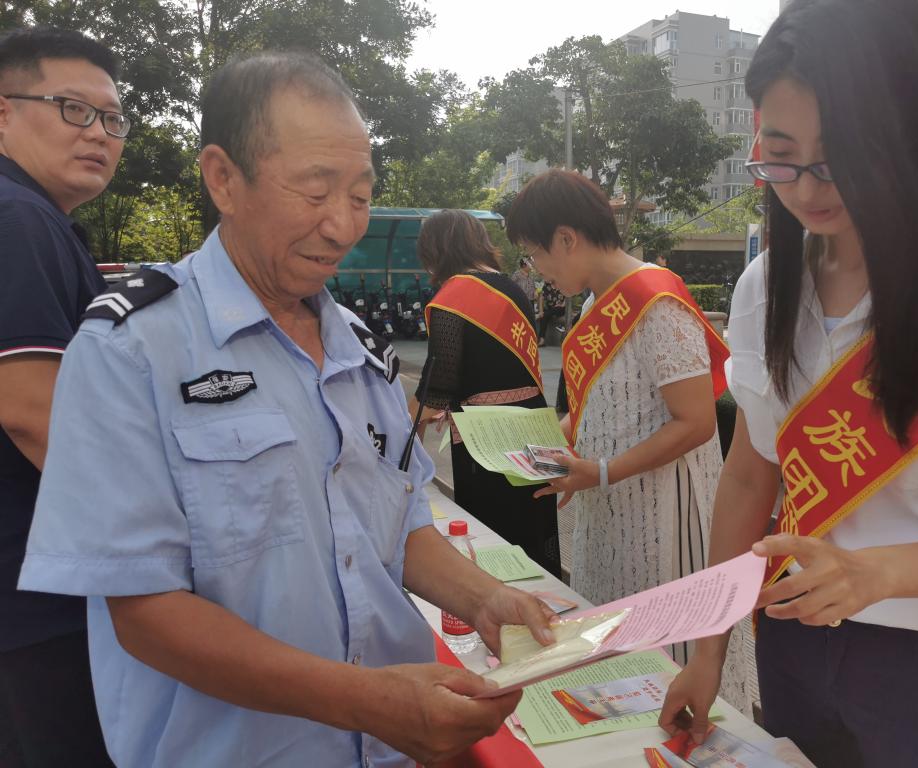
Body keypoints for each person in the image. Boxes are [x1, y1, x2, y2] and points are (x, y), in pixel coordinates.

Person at [18, 51, 555, 768]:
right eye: (315, 190)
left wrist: (485, 598)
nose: (343, 227)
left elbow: (400, 524)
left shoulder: (360, 350)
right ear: (223, 179)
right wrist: (366, 701)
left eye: (360, 195)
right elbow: (145, 614)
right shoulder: (131, 351)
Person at [658, 2, 918, 767]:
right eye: (781, 155)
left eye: (840, 156)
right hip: (796, 640)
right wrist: (709, 649)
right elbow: (750, 475)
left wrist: (877, 572)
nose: (805, 188)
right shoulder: (766, 286)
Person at [505, 169, 752, 714]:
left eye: (535, 254)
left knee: (669, 648)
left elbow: (696, 422)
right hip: (611, 510)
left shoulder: (656, 300)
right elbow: (597, 410)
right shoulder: (596, 304)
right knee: (617, 646)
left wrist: (601, 471)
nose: (538, 269)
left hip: (666, 515)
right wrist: (545, 448)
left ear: (566, 238)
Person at [0, 27, 128, 767]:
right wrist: (168, 533)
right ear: (4, 112)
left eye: (112, 119)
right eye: (72, 109)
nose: (98, 134)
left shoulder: (35, 217)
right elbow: (34, 414)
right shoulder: (20, 219)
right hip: (40, 595)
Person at [412, 210, 561, 576]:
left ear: (435, 249)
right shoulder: (512, 287)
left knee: (494, 538)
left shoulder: (453, 296)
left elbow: (437, 387)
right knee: (534, 528)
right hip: (534, 428)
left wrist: (401, 432)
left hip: (487, 440)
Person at [536, 278, 565, 347]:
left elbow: (568, 296)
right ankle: (542, 339)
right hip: (550, 309)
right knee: (544, 316)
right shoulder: (546, 286)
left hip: (560, 308)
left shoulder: (562, 284)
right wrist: (541, 311)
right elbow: (541, 298)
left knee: (546, 314)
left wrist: (563, 305)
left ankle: (541, 340)